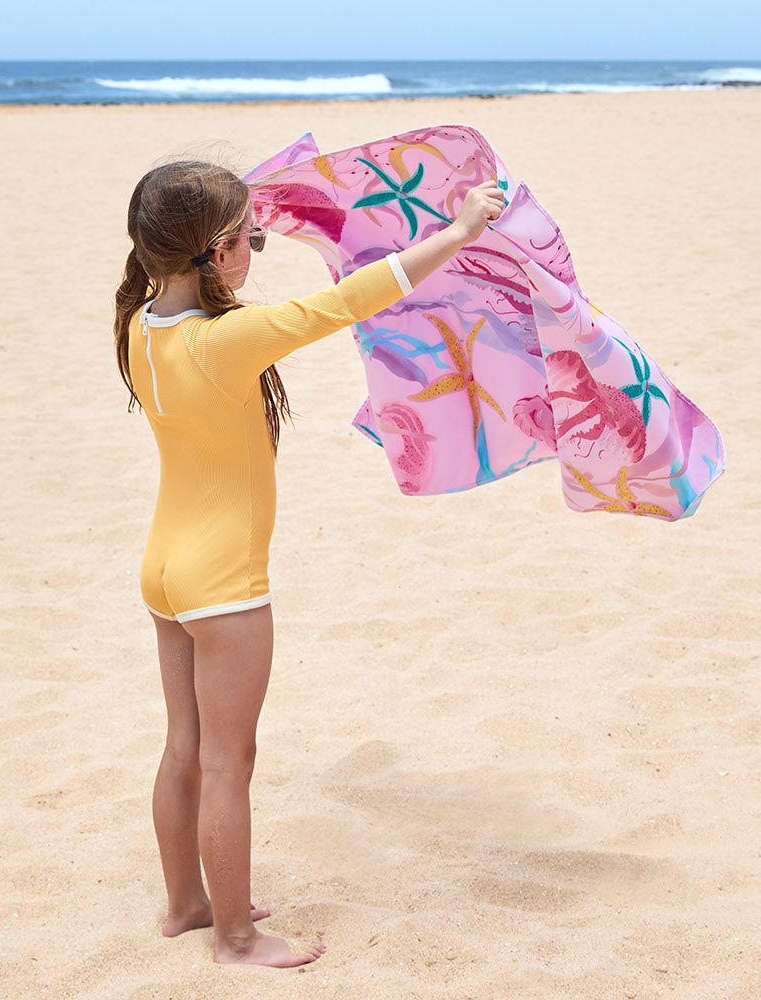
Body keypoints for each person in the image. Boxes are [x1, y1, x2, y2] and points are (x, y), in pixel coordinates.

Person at [112, 159, 504, 968]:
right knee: (229, 761)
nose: (257, 243)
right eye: (251, 235)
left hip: (163, 568)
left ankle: (188, 902)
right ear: (218, 252)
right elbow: (351, 298)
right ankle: (235, 939)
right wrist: (461, 232)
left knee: (185, 744)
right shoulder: (227, 340)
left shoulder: (137, 322)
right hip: (221, 584)